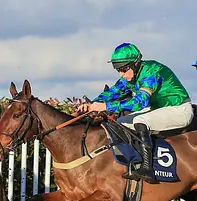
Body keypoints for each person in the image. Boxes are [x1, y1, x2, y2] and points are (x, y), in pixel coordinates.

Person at [79, 43, 192, 184]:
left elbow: (140, 102)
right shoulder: (130, 76)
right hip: (159, 109)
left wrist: (106, 106)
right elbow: (112, 92)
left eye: (124, 69)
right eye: (118, 70)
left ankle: (147, 168)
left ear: (136, 63)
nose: (122, 74)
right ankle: (134, 160)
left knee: (140, 120)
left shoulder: (152, 71)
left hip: (179, 109)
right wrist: (93, 104)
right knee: (120, 122)